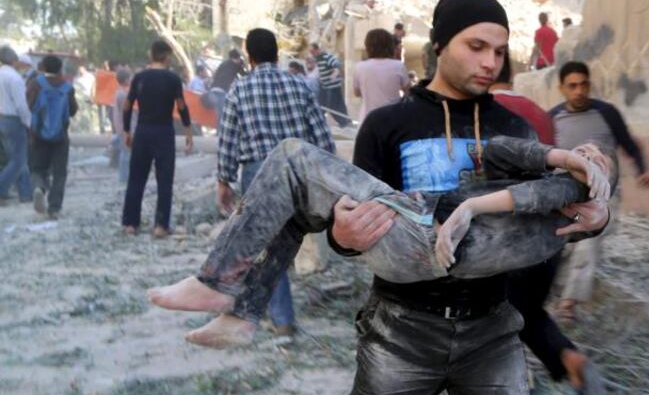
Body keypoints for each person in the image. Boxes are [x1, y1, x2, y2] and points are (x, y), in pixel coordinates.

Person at [329, 0, 613, 395]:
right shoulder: (388, 127)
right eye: (476, 45)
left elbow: (540, 229)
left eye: (499, 50)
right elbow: (349, 231)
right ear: (439, 45)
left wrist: (587, 221)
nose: (490, 62)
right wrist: (343, 235)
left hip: (491, 330)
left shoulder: (516, 131)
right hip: (401, 331)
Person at [147, 135, 610, 345]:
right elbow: (495, 150)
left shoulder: (574, 192)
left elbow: (534, 193)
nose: (586, 153)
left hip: (423, 234)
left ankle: (216, 280)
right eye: (585, 150)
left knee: (292, 157)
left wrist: (469, 208)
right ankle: (242, 313)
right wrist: (558, 153)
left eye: (596, 157)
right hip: (423, 242)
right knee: (299, 202)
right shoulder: (567, 204)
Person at [210, 28, 337, 339]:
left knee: (266, 246)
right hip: (298, 171)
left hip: (259, 173)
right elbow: (322, 137)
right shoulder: (301, 85)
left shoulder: (239, 90)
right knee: (284, 240)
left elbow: (228, 139)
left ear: (249, 57)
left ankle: (280, 319)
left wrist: (223, 180)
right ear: (277, 54)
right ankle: (269, 310)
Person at [488, 56, 599, 395]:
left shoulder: (479, 113)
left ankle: (515, 383)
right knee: (527, 310)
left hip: (500, 234)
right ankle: (568, 358)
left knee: (491, 311)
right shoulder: (541, 114)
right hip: (545, 233)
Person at [549, 61, 649, 321]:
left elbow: (630, 144)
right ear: (562, 88)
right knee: (562, 243)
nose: (579, 91)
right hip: (564, 194)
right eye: (572, 86)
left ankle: (568, 302)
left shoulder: (607, 113)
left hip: (602, 194)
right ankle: (557, 289)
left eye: (583, 84)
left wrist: (642, 169)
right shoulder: (552, 118)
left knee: (588, 241)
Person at [120, 39, 194, 238]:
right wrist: (188, 131)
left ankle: (130, 224)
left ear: (151, 54)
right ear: (167, 56)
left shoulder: (139, 78)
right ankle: (161, 225)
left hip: (143, 131)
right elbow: (181, 106)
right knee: (164, 180)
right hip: (163, 132)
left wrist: (127, 130)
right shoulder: (172, 79)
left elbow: (127, 105)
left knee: (136, 178)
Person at [26, 54, 78, 219]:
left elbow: (30, 105)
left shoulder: (35, 84)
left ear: (43, 68)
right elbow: (73, 110)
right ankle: (54, 208)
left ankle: (39, 188)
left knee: (36, 168)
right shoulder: (67, 87)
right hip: (60, 136)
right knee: (59, 173)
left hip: (38, 135)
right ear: (59, 69)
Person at [352, 29, 410, 122]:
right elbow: (408, 92)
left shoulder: (359, 67)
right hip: (393, 120)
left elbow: (357, 93)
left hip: (367, 120)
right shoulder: (399, 66)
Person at [0, 46, 33, 206]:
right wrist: (29, 122)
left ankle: (26, 193)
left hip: (2, 119)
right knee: (18, 160)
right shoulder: (15, 78)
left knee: (15, 158)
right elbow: (21, 105)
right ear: (14, 60)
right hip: (14, 120)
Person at [310, 42, 350, 127]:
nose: (312, 54)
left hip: (333, 87)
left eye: (313, 52)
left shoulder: (326, 57)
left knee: (333, 106)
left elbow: (337, 64)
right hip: (325, 87)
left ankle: (344, 122)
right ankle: (321, 123)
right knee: (321, 106)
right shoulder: (319, 60)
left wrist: (335, 72)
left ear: (317, 50)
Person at [208, 48, 245, 126]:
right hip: (221, 91)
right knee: (223, 114)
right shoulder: (236, 65)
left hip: (212, 90)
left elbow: (214, 75)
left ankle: (218, 132)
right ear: (237, 58)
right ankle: (220, 132)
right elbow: (245, 76)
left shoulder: (223, 64)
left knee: (219, 113)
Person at [112, 69, 135, 184]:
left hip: (121, 128)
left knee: (126, 152)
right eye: (130, 78)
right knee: (126, 153)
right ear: (126, 80)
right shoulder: (123, 95)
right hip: (125, 128)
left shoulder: (118, 93)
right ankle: (124, 177)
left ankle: (125, 176)